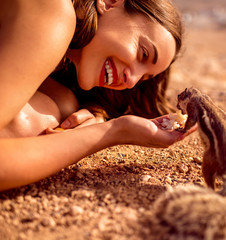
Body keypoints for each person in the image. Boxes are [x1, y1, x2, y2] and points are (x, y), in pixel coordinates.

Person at [0, 0, 193, 191]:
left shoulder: (62, 86)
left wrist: (97, 114)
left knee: (62, 104)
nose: (131, 81)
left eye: (143, 78)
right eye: (143, 53)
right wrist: (112, 132)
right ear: (110, 3)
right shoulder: (55, 13)